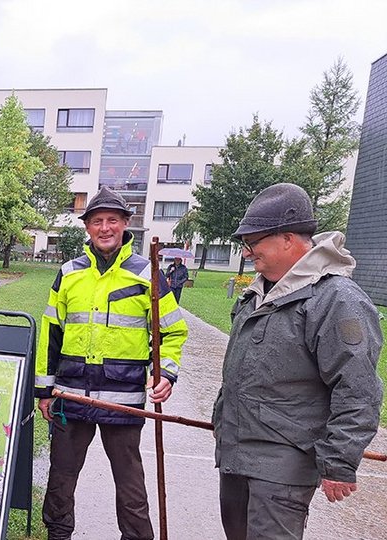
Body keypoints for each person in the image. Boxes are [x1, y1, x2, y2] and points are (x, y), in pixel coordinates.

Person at [213, 183, 384, 540]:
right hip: (236, 456)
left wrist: (339, 459)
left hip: (282, 468)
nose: (248, 253)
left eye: (254, 242)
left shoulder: (336, 299)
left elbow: (358, 388)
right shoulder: (257, 294)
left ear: (288, 239)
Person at [36, 186, 189, 540]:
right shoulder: (69, 273)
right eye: (97, 221)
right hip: (70, 397)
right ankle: (57, 535)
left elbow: (173, 332)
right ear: (87, 228)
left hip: (124, 403)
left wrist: (165, 372)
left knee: (130, 483)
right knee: (61, 477)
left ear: (125, 226)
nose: (104, 228)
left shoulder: (147, 274)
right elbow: (51, 333)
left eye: (112, 221)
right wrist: (45, 390)